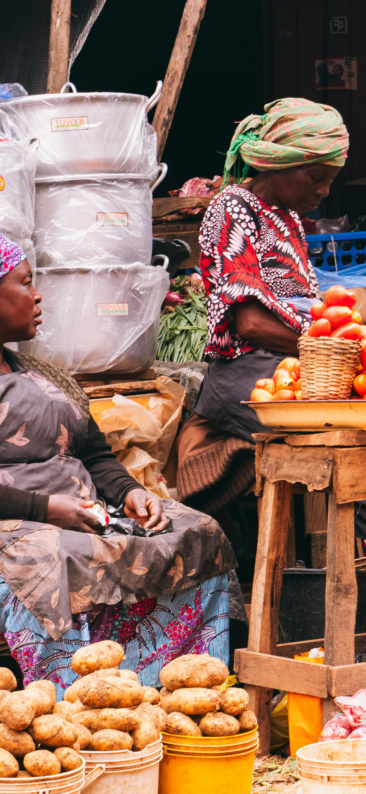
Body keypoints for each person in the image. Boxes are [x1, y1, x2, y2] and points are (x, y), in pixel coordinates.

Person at [0, 234, 237, 695]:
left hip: (83, 514)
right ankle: (68, 708)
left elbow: (93, 454)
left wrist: (131, 493)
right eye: (26, 282)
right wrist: (47, 509)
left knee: (195, 531)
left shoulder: (43, 373)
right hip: (19, 525)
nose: (38, 295)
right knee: (49, 561)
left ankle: (178, 697)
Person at [176, 97, 349, 514]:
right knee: (350, 447)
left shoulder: (287, 216)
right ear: (279, 164)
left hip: (290, 366)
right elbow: (251, 323)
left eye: (330, 180)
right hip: (248, 373)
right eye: (315, 178)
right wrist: (328, 346)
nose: (323, 191)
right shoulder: (233, 207)